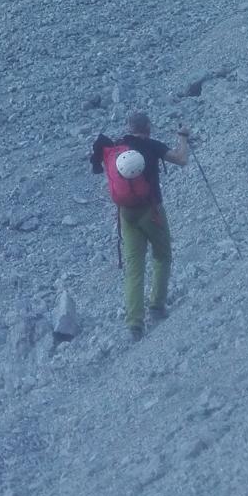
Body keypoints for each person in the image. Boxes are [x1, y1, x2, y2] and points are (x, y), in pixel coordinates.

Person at [91, 111, 190, 340]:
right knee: (162, 255)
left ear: (129, 127)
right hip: (151, 211)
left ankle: (134, 324)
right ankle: (157, 306)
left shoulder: (117, 147)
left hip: (126, 214)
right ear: (148, 126)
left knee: (134, 267)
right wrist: (183, 137)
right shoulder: (152, 145)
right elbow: (182, 159)